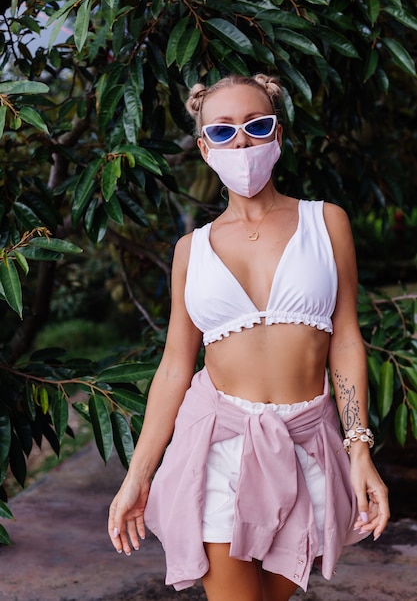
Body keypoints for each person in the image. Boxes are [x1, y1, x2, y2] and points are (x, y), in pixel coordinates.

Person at [108, 74, 390, 601]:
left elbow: (347, 341)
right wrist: (138, 475)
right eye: (223, 131)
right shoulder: (190, 250)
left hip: (307, 443)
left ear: (278, 136)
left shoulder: (327, 223)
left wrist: (358, 449)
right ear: (203, 147)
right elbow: (175, 367)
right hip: (217, 445)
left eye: (256, 126)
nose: (241, 141)